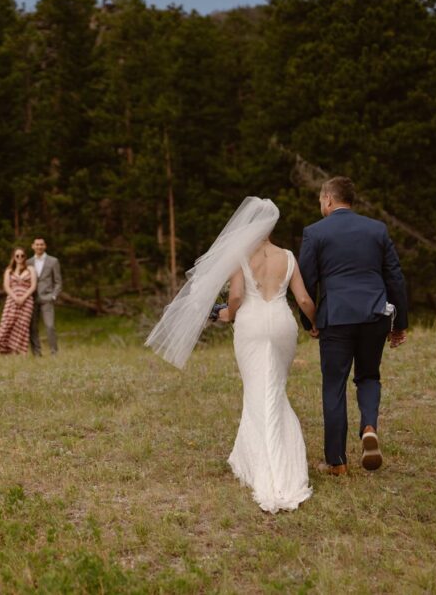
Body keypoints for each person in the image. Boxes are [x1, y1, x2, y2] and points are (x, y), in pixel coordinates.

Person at [147, 197, 315, 513]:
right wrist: (315, 324)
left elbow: (236, 295)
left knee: (256, 391)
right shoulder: (289, 256)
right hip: (281, 323)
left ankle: (268, 472)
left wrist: (229, 314)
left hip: (251, 322)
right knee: (274, 391)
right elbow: (304, 299)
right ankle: (271, 462)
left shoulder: (241, 255)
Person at [298, 177, 408, 475]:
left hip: (336, 317)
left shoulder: (314, 233)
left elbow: (306, 281)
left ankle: (336, 462)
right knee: (369, 376)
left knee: (334, 385)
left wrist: (308, 320)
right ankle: (369, 427)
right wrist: (400, 323)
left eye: (321, 200)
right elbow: (395, 277)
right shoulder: (377, 229)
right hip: (375, 314)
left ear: (329, 200)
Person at [0, 248, 37, 355]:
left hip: (27, 301)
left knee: (22, 325)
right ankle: (1, 350)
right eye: (17, 256)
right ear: (14, 257)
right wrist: (15, 298)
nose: (20, 258)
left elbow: (33, 286)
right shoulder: (9, 270)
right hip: (12, 301)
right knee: (7, 323)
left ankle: (19, 351)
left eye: (22, 255)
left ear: (25, 257)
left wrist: (23, 298)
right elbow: (7, 286)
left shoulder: (30, 269)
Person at [28, 237, 63, 356]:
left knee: (50, 326)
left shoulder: (53, 261)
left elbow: (58, 281)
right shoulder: (28, 262)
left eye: (41, 245)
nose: (39, 247)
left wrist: (53, 296)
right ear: (33, 246)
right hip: (31, 299)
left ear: (45, 246)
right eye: (37, 245)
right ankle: (37, 353)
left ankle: (54, 353)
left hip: (47, 298)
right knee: (32, 327)